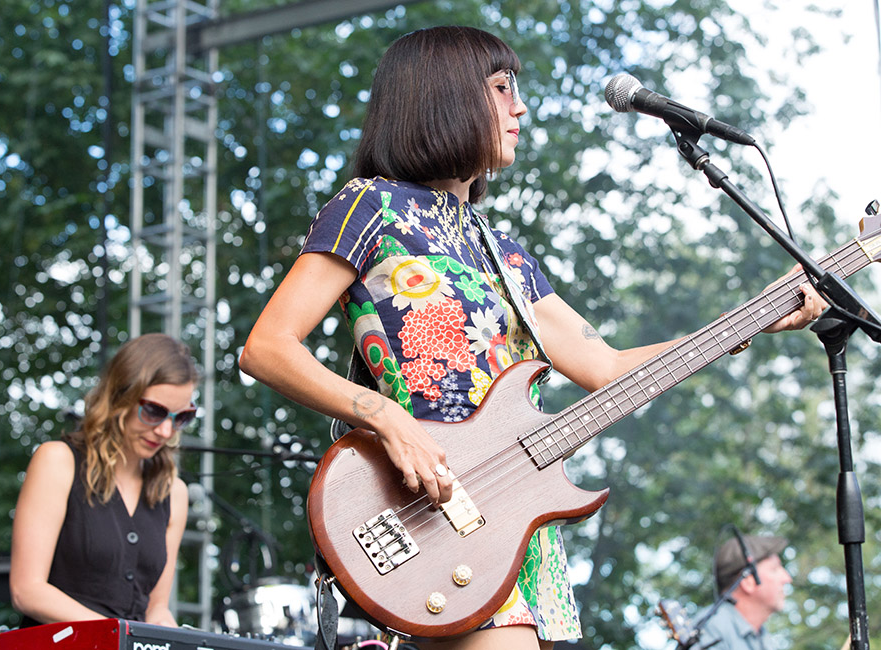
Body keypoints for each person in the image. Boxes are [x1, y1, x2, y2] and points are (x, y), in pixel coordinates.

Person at [239, 25, 826, 650]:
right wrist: (386, 416)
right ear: (444, 96)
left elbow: (606, 367)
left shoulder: (507, 257)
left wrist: (753, 319)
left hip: (522, 524)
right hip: (432, 511)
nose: (519, 107)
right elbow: (267, 346)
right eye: (501, 88)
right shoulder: (370, 207)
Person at [10, 333, 196, 626]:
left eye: (180, 418)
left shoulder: (174, 492)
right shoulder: (58, 461)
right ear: (119, 397)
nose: (165, 431)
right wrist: (115, 636)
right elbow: (27, 591)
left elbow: (156, 609)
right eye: (154, 412)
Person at [698, 534, 792, 650]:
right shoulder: (711, 629)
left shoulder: (763, 637)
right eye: (774, 569)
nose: (787, 578)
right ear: (748, 582)